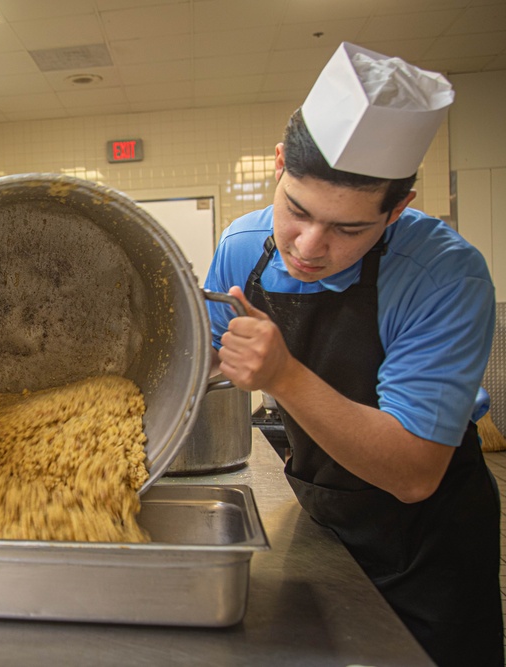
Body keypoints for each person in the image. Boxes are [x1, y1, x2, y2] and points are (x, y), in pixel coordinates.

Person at [205, 44, 502, 667]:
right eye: (297, 211)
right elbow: (201, 367)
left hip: (426, 548)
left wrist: (282, 374)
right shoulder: (241, 247)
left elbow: (414, 473)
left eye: (349, 230)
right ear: (280, 165)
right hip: (324, 517)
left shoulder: (445, 277)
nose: (309, 248)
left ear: (399, 209)